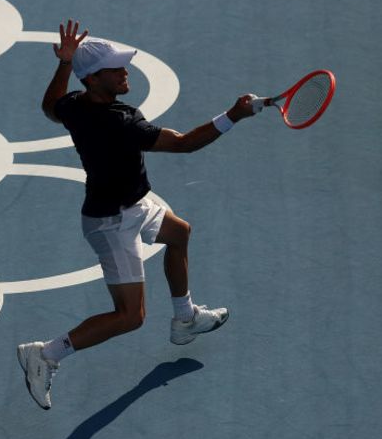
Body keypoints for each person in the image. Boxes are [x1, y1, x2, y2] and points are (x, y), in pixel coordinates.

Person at [16, 20, 258, 409]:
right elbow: (184, 145)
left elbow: (50, 108)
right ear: (94, 79)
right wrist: (233, 114)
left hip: (137, 202)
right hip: (112, 224)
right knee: (130, 317)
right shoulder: (120, 121)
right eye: (116, 68)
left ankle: (185, 319)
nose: (125, 71)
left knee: (179, 232)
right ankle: (45, 354)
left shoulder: (76, 106)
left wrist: (64, 63)